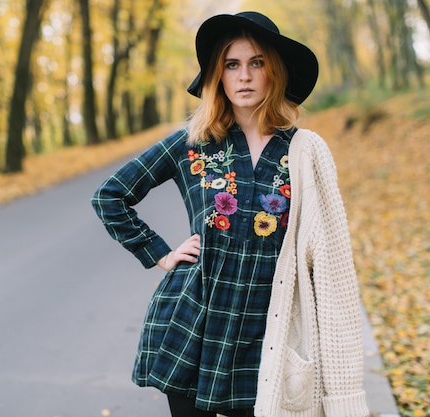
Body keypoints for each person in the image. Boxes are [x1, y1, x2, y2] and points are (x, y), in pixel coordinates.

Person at [91, 11, 369, 417]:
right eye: (231, 65)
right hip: (193, 323)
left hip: (265, 333)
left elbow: (325, 255)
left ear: (274, 72)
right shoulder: (192, 144)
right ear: (217, 76)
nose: (244, 76)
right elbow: (110, 196)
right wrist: (161, 254)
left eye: (257, 63)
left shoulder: (301, 152)